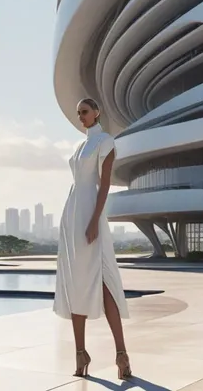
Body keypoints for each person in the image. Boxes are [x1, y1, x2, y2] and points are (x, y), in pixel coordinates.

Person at [54, 97, 132, 379]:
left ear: (97, 111)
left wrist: (94, 221)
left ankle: (121, 354)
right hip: (72, 214)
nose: (80, 117)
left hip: (90, 215)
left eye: (84, 112)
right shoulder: (78, 146)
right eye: (78, 113)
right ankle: (80, 353)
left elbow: (105, 184)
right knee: (75, 283)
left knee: (104, 281)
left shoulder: (105, 141)